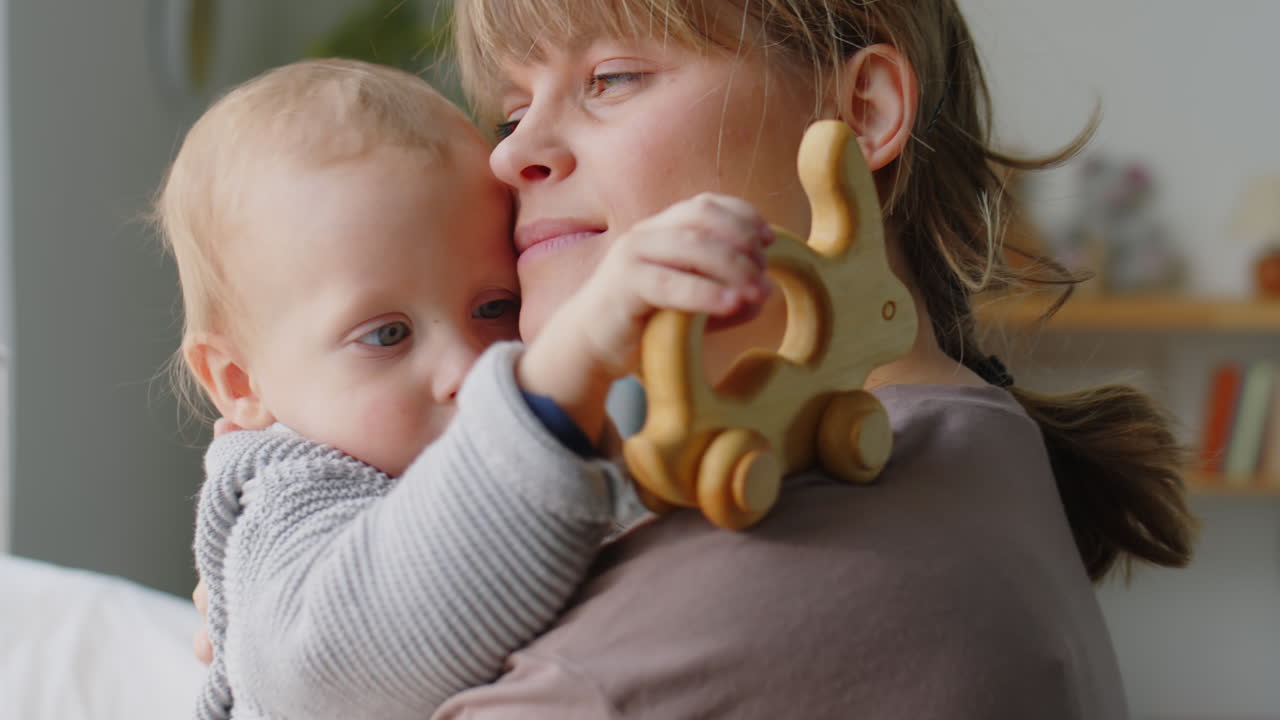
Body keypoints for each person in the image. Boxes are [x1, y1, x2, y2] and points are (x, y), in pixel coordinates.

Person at [422, 0, 1198, 717]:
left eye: (611, 79)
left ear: (863, 113)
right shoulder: (971, 452)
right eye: (513, 110)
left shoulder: (762, 576)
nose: (511, 154)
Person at [157, 59, 772, 719]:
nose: (473, 369)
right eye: (387, 336)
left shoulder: (577, 444)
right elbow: (334, 669)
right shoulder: (288, 497)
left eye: (493, 308)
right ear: (240, 382)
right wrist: (566, 367)